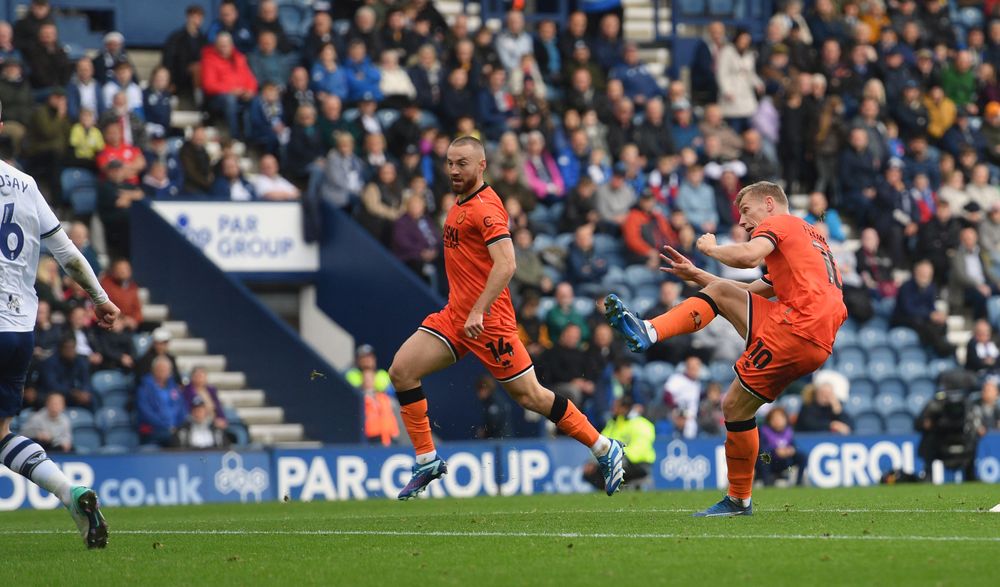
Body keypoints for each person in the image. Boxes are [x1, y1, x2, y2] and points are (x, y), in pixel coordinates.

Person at [388, 136, 624, 499]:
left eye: (462, 163)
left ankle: (605, 449)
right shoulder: (460, 202)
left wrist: (479, 309)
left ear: (481, 165)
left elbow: (508, 263)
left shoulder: (486, 208)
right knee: (402, 371)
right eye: (450, 162)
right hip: (455, 317)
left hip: (490, 323)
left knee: (532, 397)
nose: (453, 169)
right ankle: (426, 458)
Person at [604, 181, 847, 516]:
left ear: (769, 203)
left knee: (719, 302)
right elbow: (749, 290)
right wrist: (697, 274)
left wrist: (711, 248)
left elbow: (747, 258)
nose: (744, 222)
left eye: (746, 211)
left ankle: (650, 330)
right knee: (735, 407)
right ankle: (739, 500)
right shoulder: (806, 238)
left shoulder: (779, 224)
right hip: (816, 338)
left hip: (798, 325)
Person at [0, 115, 118, 547]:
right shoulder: (27, 185)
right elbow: (68, 253)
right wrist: (100, 298)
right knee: (1, 435)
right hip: (18, 331)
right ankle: (72, 493)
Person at [583, 396, 655, 491]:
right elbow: (600, 442)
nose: (612, 409)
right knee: (589, 472)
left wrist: (616, 457)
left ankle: (620, 488)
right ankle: (613, 491)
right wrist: (593, 461)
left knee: (607, 470)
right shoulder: (613, 424)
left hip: (638, 464)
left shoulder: (642, 424)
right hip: (617, 460)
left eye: (615, 407)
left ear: (624, 408)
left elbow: (639, 450)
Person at [136, 356, 186, 447]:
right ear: (153, 370)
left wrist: (178, 425)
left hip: (174, 429)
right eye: (160, 369)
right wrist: (166, 426)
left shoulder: (174, 387)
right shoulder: (145, 388)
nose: (163, 372)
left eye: (165, 370)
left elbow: (182, 408)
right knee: (173, 438)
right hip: (152, 430)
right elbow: (145, 412)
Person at [757, 407, 808, 486]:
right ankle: (766, 483)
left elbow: (793, 445)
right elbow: (761, 449)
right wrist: (775, 451)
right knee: (765, 455)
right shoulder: (764, 431)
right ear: (770, 420)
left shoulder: (788, 431)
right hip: (770, 461)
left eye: (780, 418)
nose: (778, 421)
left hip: (785, 461)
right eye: (775, 418)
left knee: (802, 456)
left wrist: (791, 450)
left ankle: (799, 482)